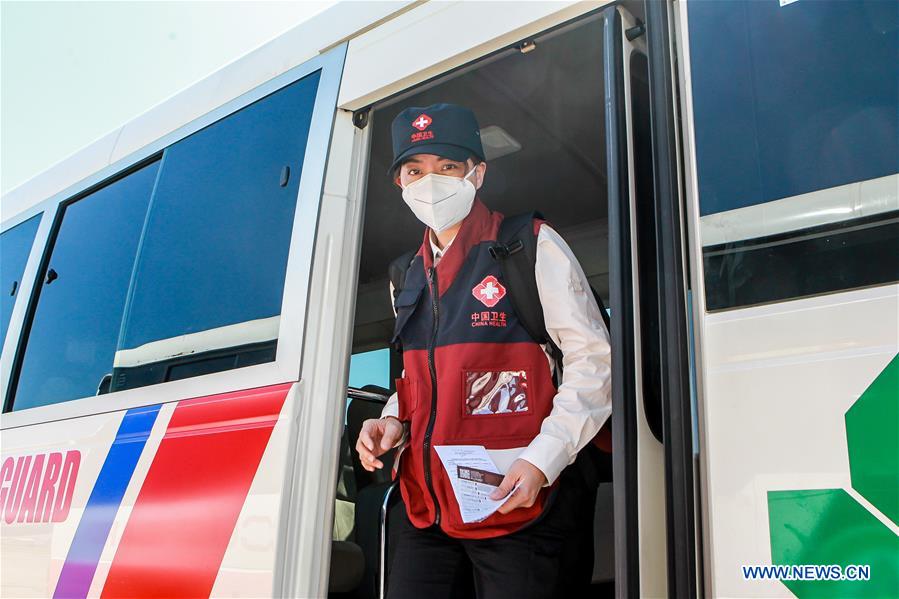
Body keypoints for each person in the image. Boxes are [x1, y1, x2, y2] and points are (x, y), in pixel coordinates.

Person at [355, 102, 612, 599]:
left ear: (477, 173)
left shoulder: (529, 246)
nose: (430, 182)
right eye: (415, 170)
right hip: (425, 505)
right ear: (400, 184)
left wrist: (543, 460)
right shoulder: (404, 275)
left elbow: (594, 361)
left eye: (447, 167)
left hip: (518, 501)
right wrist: (393, 421)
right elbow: (422, 381)